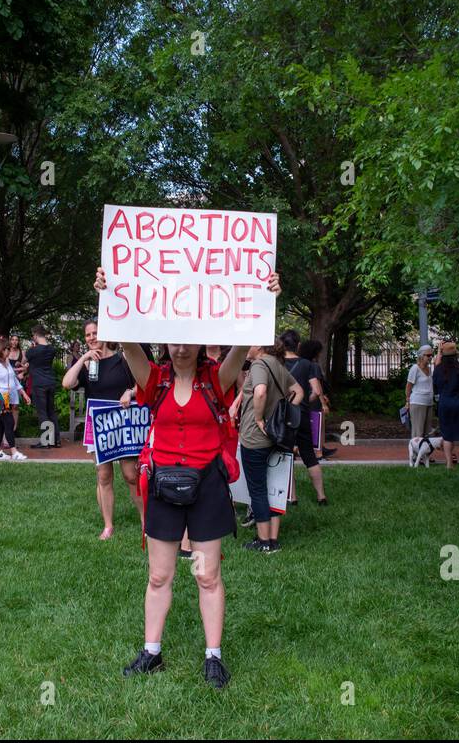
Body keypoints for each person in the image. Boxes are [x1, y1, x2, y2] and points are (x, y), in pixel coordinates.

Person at [95, 266, 282, 689]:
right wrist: (109, 295)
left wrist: (265, 297)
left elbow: (243, 338)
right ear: (164, 341)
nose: (180, 347)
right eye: (173, 339)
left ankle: (213, 657)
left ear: (201, 342)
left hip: (207, 489)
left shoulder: (217, 379)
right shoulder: (153, 380)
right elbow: (126, 338)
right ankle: (152, 652)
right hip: (163, 488)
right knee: (159, 575)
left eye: (188, 340)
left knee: (206, 575)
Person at [63, 320, 144, 539]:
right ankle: (108, 526)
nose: (91, 337)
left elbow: (146, 381)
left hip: (123, 422)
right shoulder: (88, 364)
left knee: (131, 475)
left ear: (106, 333)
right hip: (98, 425)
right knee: (104, 475)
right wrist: (82, 358)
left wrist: (131, 392)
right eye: (87, 335)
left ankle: (147, 523)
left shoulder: (123, 358)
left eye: (95, 333)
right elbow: (67, 383)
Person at [238, 342, 304, 553]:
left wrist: (259, 418)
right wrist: (282, 415)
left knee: (257, 490)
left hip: (255, 437)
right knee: (274, 487)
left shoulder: (259, 365)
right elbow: (299, 392)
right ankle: (273, 539)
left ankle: (264, 541)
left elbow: (260, 392)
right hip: (277, 436)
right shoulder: (277, 365)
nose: (246, 347)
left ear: (259, 346)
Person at [282, 331, 327, 505]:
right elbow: (316, 391)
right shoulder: (308, 364)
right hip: (302, 414)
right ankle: (321, 496)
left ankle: (292, 497)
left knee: (286, 455)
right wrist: (304, 402)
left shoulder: (277, 364)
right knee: (309, 454)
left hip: (285, 415)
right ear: (298, 345)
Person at [433, 341, 459, 470]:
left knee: (447, 435)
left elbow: (435, 388)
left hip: (445, 404)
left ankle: (449, 463)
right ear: (456, 354)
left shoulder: (438, 369)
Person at [0, 335, 30, 461]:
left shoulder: (7, 364)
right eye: (6, 348)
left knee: (2, 424)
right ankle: (14, 450)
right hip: (0, 397)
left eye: (8, 348)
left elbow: (14, 380)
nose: (8, 350)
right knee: (9, 422)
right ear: (0, 350)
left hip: (9, 397)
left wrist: (23, 393)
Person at [26, 325, 61, 448]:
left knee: (42, 412)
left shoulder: (32, 351)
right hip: (50, 382)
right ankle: (56, 440)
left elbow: (26, 361)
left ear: (35, 335)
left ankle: (45, 441)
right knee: (51, 411)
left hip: (39, 384)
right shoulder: (52, 349)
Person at [298, 339, 334, 458]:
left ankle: (318, 449)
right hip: (314, 400)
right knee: (318, 425)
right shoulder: (314, 366)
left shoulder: (301, 363)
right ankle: (319, 451)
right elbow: (317, 386)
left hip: (304, 398)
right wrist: (323, 402)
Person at [405, 344, 436, 442]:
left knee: (427, 431)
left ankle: (425, 455)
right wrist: (407, 401)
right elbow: (408, 386)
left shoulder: (429, 369)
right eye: (428, 355)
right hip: (417, 402)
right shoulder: (415, 368)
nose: (430, 357)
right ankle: (416, 454)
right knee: (418, 431)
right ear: (421, 356)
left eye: (432, 355)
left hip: (429, 402)